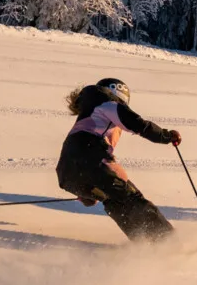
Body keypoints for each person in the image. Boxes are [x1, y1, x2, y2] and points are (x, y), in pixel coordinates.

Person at [57, 78, 181, 242]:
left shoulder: (90, 113)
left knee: (113, 200)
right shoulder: (107, 103)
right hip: (91, 162)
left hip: (66, 174)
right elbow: (137, 124)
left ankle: (144, 242)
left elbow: (78, 158)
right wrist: (165, 136)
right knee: (132, 199)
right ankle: (169, 242)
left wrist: (86, 189)